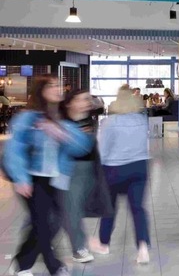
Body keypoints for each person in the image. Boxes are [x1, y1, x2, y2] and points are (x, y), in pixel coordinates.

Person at [4, 75, 92, 276]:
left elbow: (81, 147)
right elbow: (15, 149)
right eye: (52, 86)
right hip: (33, 178)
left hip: (57, 178)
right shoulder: (28, 118)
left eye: (59, 85)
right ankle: (52, 266)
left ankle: (23, 261)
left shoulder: (62, 117)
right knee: (44, 223)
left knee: (50, 224)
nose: (58, 88)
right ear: (41, 91)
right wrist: (21, 178)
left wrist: (62, 134)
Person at [96, 86, 151, 264]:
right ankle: (142, 247)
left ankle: (104, 244)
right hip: (138, 167)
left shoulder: (109, 122)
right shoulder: (142, 120)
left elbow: (103, 151)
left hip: (113, 169)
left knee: (109, 208)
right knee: (137, 209)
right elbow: (145, 144)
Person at [59, 89, 103, 264]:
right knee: (72, 209)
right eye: (82, 99)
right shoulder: (62, 122)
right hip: (70, 170)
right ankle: (78, 248)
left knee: (64, 210)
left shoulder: (89, 118)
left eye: (88, 99)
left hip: (89, 169)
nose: (87, 102)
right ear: (70, 103)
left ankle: (40, 241)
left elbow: (99, 107)